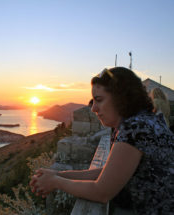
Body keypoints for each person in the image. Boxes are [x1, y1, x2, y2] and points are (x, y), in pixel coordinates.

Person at [30, 67, 174, 215]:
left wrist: (55, 182)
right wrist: (58, 174)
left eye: (99, 100)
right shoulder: (145, 121)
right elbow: (107, 173)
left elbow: (101, 192)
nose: (93, 109)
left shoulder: (136, 128)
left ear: (122, 98)